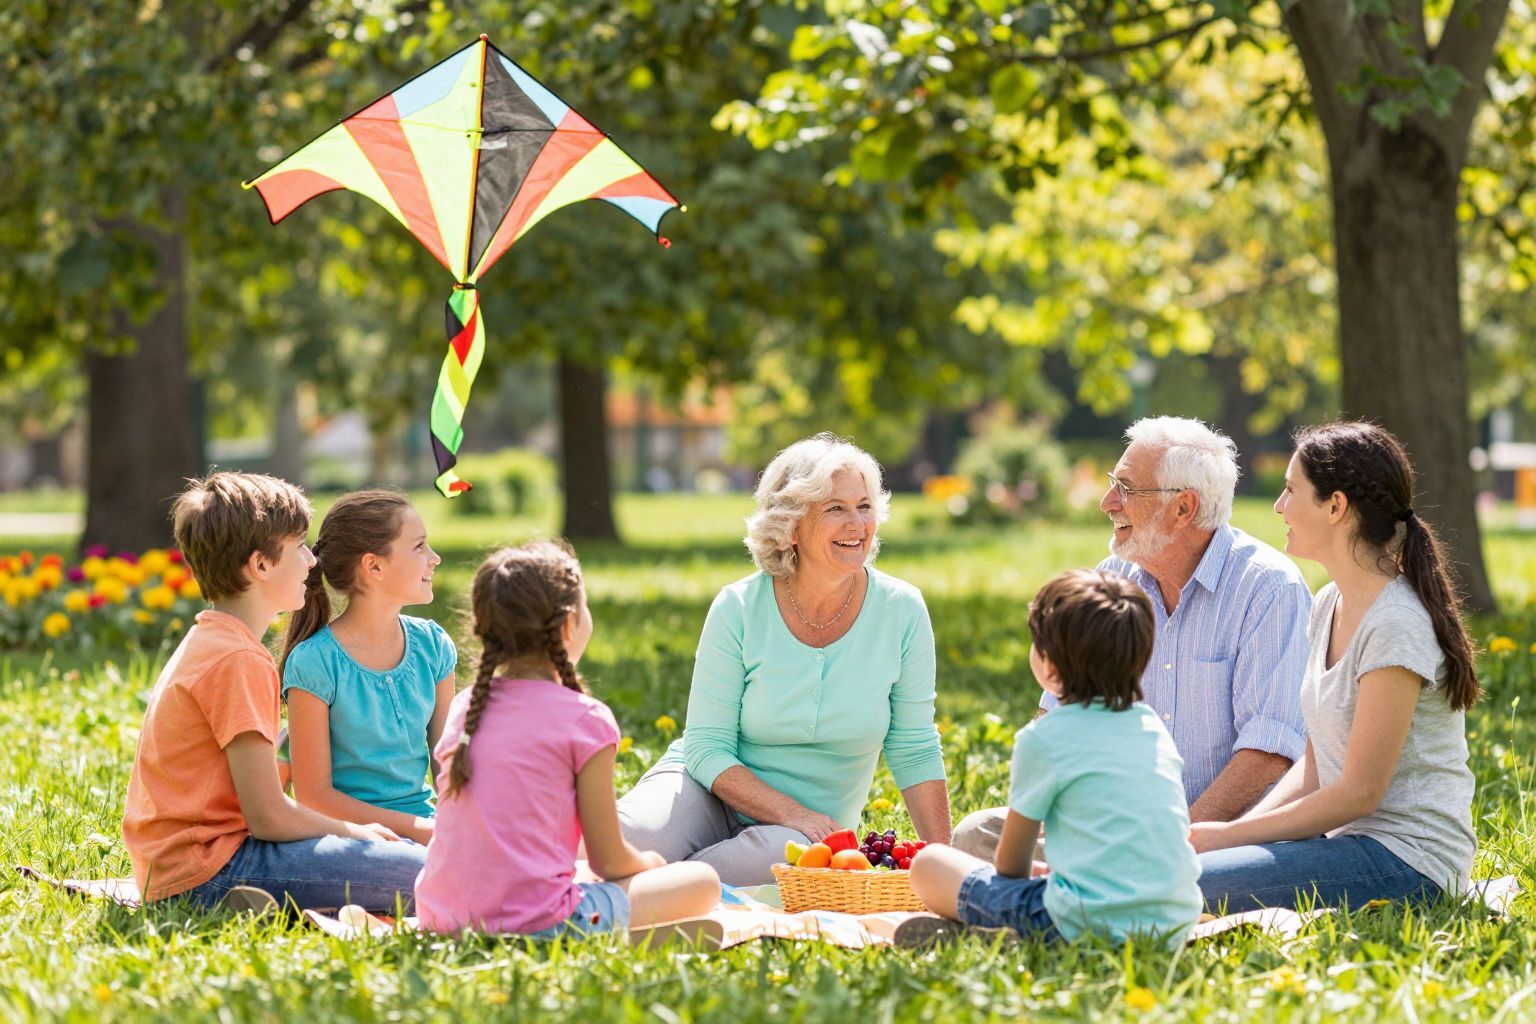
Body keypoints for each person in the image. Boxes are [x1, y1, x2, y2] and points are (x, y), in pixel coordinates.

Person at [953, 416, 1310, 858]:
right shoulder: (1113, 579)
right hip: (1118, 829)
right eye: (1112, 484)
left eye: (1125, 488)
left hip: (1222, 837)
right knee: (974, 834)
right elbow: (1058, 712)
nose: (1107, 503)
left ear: (1183, 508)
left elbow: (1269, 754)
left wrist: (1175, 845)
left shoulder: (1268, 588)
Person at [615, 433, 952, 887]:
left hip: (803, 831)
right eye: (835, 509)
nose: (857, 524)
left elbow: (914, 747)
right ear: (790, 527)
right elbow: (706, 747)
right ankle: (624, 889)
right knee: (624, 838)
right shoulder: (738, 607)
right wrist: (789, 810)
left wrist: (948, 871)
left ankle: (637, 893)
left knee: (776, 865)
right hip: (704, 791)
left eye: (864, 506)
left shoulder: (901, 610)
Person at [1193, 422, 1478, 911]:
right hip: (1350, 845)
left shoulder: (1395, 623)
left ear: (1336, 506)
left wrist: (1227, 837)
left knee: (1183, 886)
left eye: (1290, 490)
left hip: (1410, 864)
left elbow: (1358, 794)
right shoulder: (1328, 604)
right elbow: (1315, 767)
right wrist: (1233, 835)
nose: (1279, 505)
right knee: (1184, 873)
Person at [122, 473, 425, 913]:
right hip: (210, 871)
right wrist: (355, 832)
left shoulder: (212, 640)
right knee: (430, 872)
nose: (312, 561)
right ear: (260, 565)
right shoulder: (238, 660)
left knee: (409, 861)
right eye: (299, 546)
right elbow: (268, 817)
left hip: (177, 868)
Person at [415, 541, 720, 937]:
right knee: (703, 882)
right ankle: (624, 937)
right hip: (540, 923)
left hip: (441, 917)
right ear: (569, 624)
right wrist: (650, 864)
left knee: (580, 873)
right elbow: (609, 861)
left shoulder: (465, 707)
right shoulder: (586, 720)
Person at [909, 570, 1202, 946]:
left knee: (930, 864)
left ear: (1048, 666)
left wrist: (1036, 877)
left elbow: (1011, 866)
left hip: (1081, 925)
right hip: (1173, 923)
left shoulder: (1044, 738)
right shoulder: (1151, 728)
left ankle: (997, 934)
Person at [280, 490, 455, 846]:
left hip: (426, 828)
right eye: (419, 546)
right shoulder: (315, 662)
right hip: (351, 839)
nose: (434, 558)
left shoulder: (433, 645)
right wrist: (415, 830)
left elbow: (447, 766)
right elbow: (314, 797)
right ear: (373, 566)